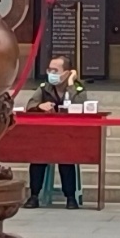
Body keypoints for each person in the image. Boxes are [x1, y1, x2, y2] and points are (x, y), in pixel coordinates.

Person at [22, 55, 94, 208]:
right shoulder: (44, 87)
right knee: (37, 158)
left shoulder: (78, 88)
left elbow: (80, 104)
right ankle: (34, 196)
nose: (51, 73)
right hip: (45, 135)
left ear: (67, 72)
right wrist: (39, 107)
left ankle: (70, 197)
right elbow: (30, 104)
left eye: (56, 70)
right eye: (50, 70)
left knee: (66, 159)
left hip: (68, 136)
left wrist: (70, 84)